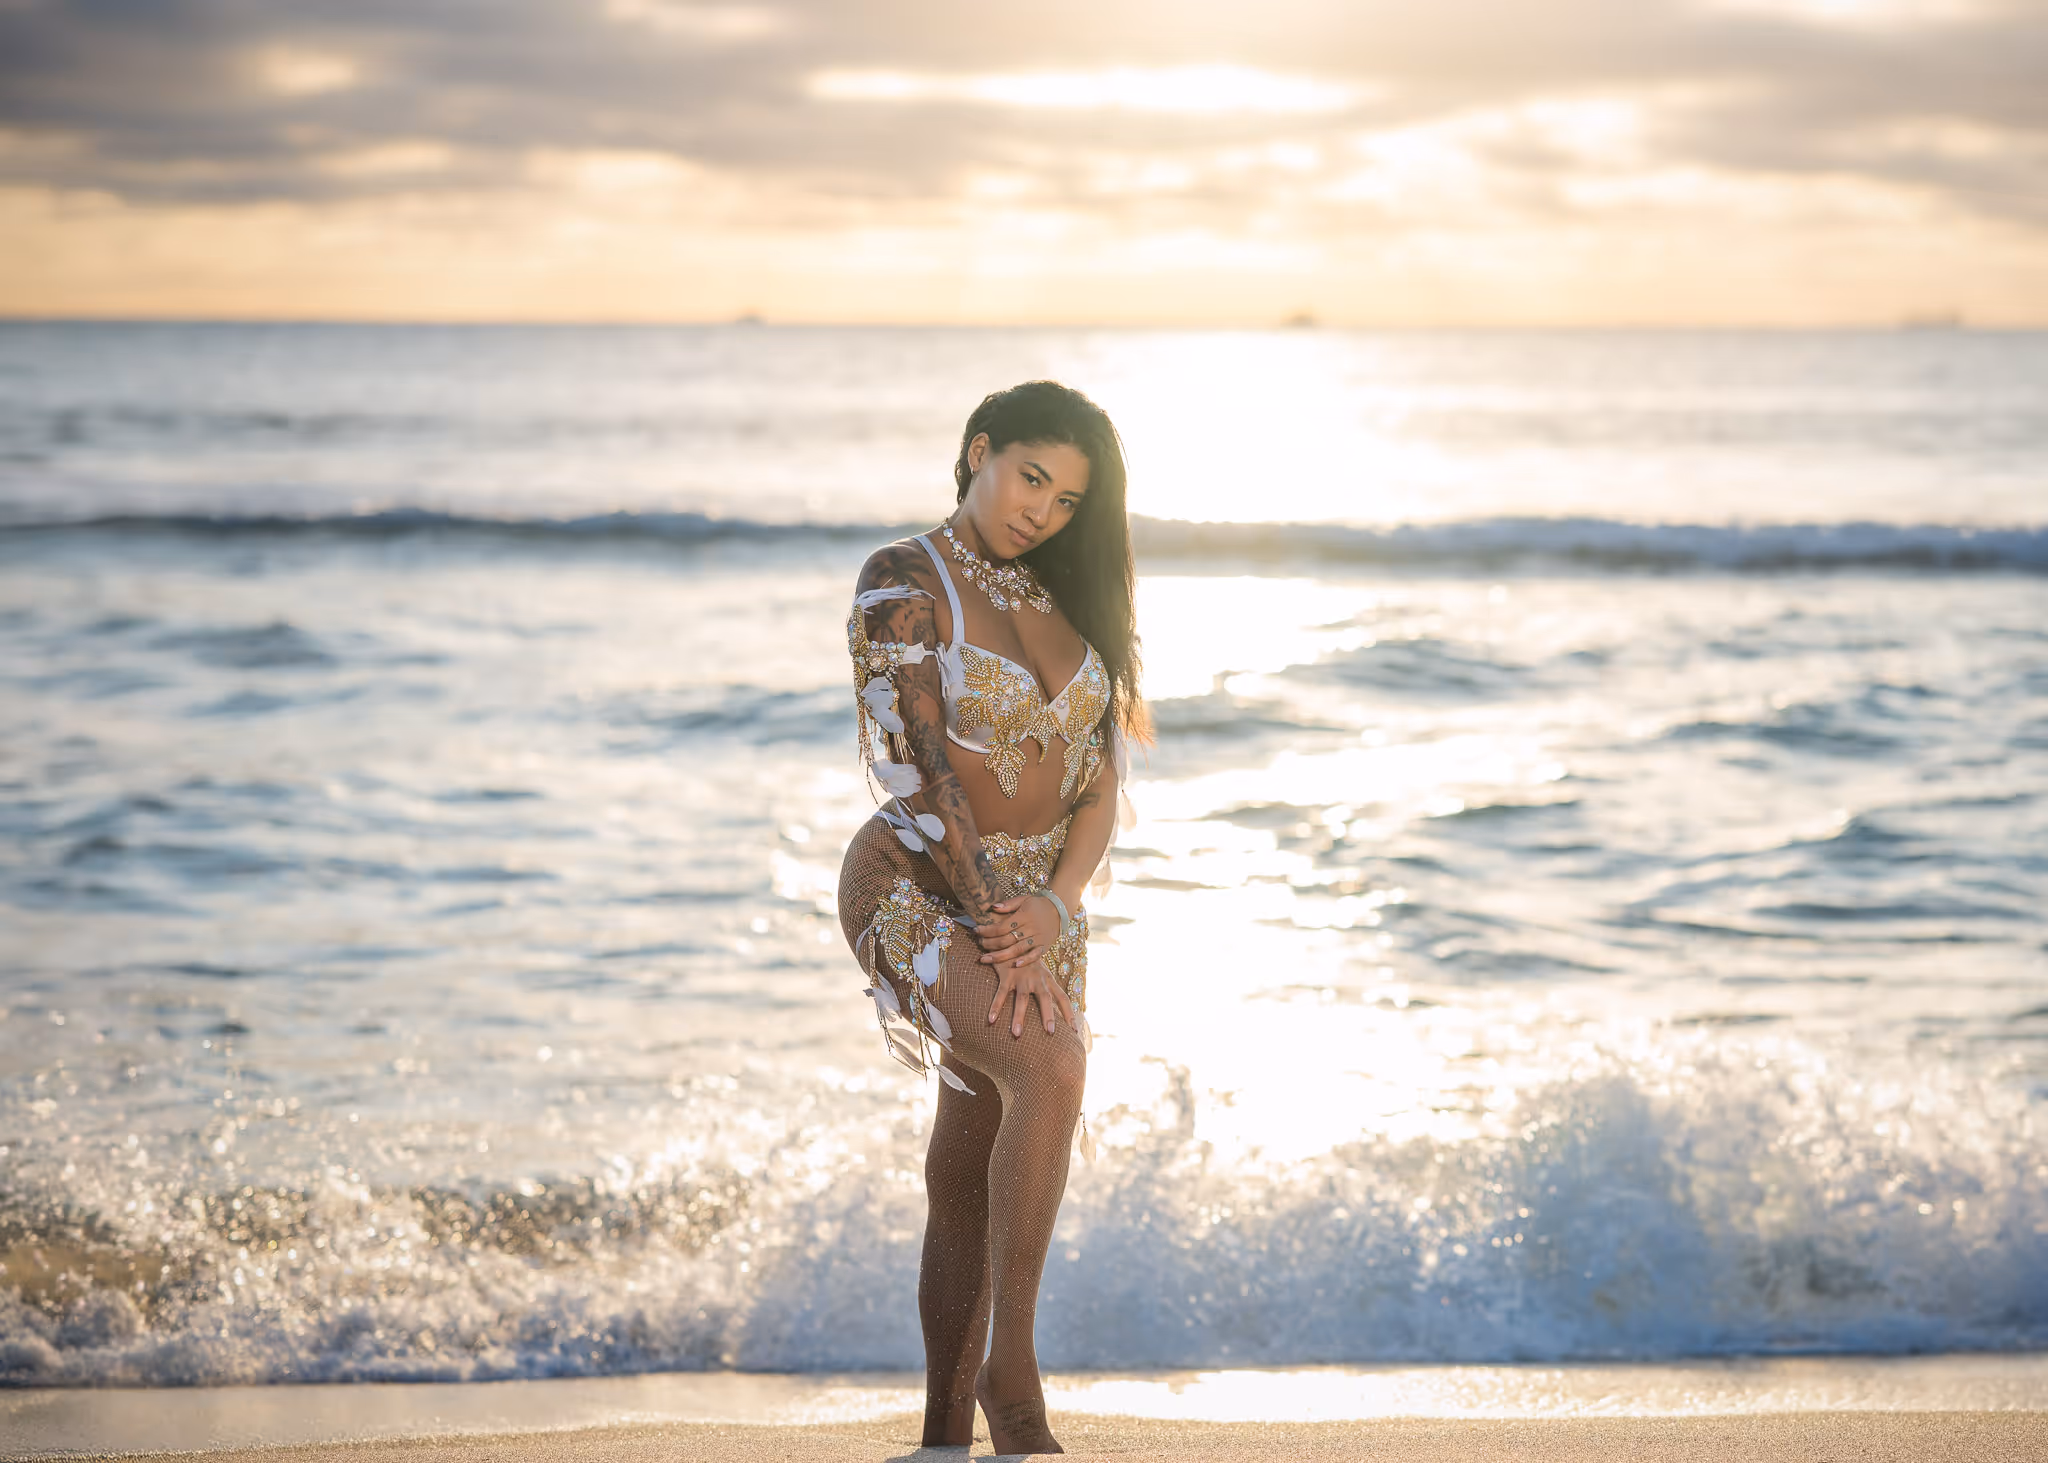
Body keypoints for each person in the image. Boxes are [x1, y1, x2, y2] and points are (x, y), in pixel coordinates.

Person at [837, 380, 1145, 1453]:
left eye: (1065, 499)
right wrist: (992, 922)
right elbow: (913, 768)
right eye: (1028, 477)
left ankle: (938, 1438)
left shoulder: (1073, 595)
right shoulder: (902, 580)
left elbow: (1099, 783)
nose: (1040, 511)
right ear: (978, 452)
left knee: (970, 1145)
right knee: (1051, 1066)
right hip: (918, 881)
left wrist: (1052, 905)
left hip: (1040, 906)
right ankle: (1010, 1377)